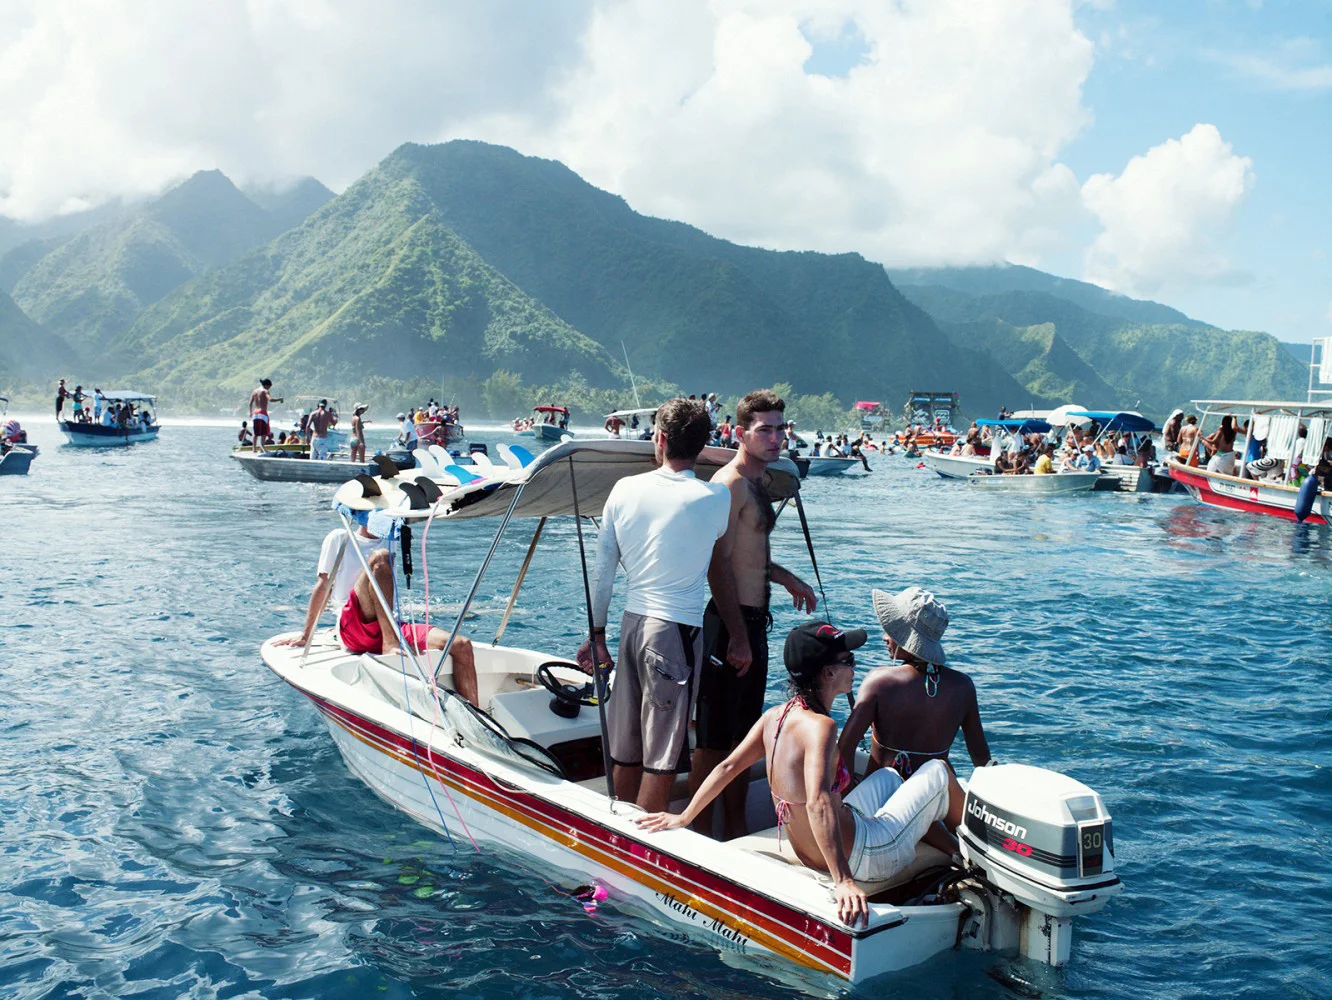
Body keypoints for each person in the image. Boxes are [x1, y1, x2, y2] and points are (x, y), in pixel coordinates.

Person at [638, 622, 957, 928]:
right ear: (829, 673)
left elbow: (727, 767)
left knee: (889, 776)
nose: (854, 667)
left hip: (811, 853)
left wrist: (684, 817)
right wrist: (844, 880)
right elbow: (819, 802)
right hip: (864, 856)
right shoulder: (822, 728)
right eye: (849, 661)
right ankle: (972, 856)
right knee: (938, 772)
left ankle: (945, 844)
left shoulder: (775, 716)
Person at [575, 398, 737, 815]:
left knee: (626, 749)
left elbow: (603, 573)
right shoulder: (716, 498)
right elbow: (723, 468)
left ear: (659, 439)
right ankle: (644, 851)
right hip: (674, 633)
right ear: (701, 446)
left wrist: (596, 636)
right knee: (662, 755)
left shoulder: (624, 489)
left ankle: (617, 831)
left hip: (630, 625)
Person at [691, 389, 818, 839]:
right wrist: (737, 637)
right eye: (765, 429)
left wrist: (787, 579)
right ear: (741, 433)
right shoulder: (730, 484)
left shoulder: (760, 483)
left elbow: (751, 555)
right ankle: (700, 834)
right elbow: (717, 561)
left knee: (743, 737)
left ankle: (735, 828)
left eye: (781, 428)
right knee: (711, 739)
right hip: (729, 625)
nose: (776, 437)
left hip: (751, 625)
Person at [275, 510, 479, 705]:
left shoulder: (391, 538)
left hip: (391, 624)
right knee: (380, 557)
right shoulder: (339, 537)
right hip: (354, 626)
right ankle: (389, 643)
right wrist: (306, 634)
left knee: (461, 645)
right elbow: (323, 586)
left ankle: (478, 723)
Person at [838, 588, 989, 832]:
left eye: (893, 630)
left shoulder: (879, 682)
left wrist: (846, 798)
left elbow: (843, 749)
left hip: (885, 803)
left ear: (906, 638)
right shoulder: (963, 685)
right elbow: (981, 760)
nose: (886, 637)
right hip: (938, 806)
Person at [248, 379, 283, 454]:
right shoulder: (265, 391)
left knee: (256, 432)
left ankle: (254, 448)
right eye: (269, 386)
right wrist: (279, 399)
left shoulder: (255, 391)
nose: (269, 388)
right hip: (263, 413)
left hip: (255, 414)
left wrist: (251, 413)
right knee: (264, 432)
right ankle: (262, 447)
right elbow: (270, 399)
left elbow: (250, 403)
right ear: (266, 385)